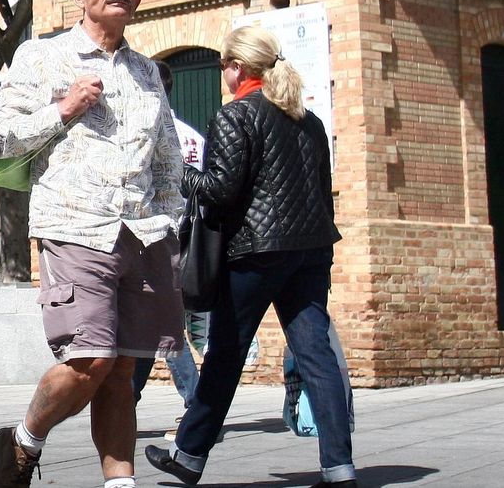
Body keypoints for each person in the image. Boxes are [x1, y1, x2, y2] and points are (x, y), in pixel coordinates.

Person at [0, 0, 185, 488]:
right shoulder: (41, 58)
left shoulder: (146, 73)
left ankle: (120, 483)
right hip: (74, 227)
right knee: (90, 361)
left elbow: (167, 158)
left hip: (141, 234)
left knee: (122, 374)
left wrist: (168, 221)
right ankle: (23, 441)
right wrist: (63, 109)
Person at [146, 25, 356, 488]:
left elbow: (219, 191)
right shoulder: (311, 121)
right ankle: (339, 468)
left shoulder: (236, 115)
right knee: (316, 356)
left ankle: (189, 456)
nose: (222, 73)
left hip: (256, 252)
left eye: (223, 65)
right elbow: (323, 189)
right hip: (312, 250)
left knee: (225, 355)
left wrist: (179, 173)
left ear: (237, 68)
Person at [132, 60, 205, 436]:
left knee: (165, 325)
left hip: (157, 237)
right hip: (186, 237)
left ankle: (197, 405)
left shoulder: (153, 131)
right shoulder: (192, 135)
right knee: (149, 323)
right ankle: (127, 399)